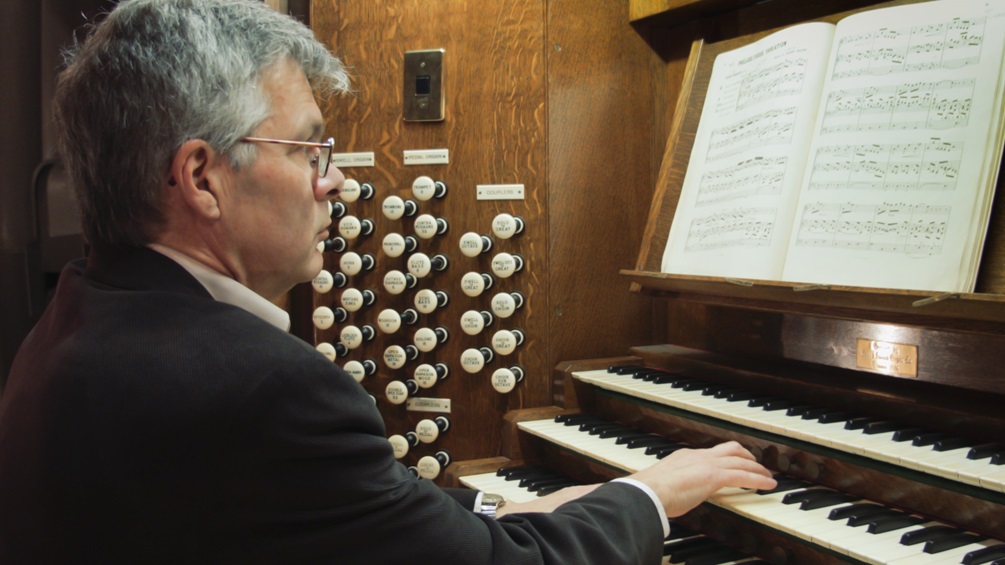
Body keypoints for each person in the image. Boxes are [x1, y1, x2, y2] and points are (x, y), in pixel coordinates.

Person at [0, 0, 776, 563]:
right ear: (202, 177)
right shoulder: (263, 385)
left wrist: (508, 501)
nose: (333, 182)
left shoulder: (79, 311)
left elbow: (324, 502)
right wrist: (650, 492)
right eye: (309, 149)